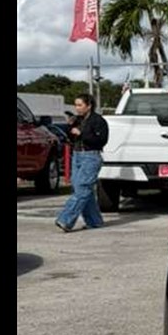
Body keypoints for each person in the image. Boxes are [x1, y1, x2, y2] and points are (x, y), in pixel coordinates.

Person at [55, 94, 109, 232]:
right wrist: (70, 127)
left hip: (91, 156)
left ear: (89, 105)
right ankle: (95, 221)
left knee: (83, 188)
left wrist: (82, 134)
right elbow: (71, 137)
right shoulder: (77, 120)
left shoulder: (98, 121)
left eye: (80, 105)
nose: (77, 108)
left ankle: (65, 219)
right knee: (82, 189)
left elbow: (101, 141)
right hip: (77, 155)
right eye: (76, 105)